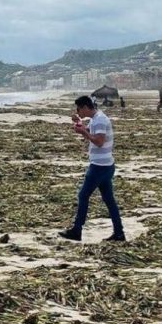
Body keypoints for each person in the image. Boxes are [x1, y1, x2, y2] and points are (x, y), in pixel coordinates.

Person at [59, 96, 125, 242]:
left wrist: (84, 133)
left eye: (78, 109)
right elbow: (93, 133)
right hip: (106, 165)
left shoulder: (100, 119)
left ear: (85, 107)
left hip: (99, 167)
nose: (78, 112)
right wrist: (79, 124)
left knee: (83, 196)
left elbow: (99, 141)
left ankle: (77, 230)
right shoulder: (96, 119)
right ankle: (119, 233)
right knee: (109, 200)